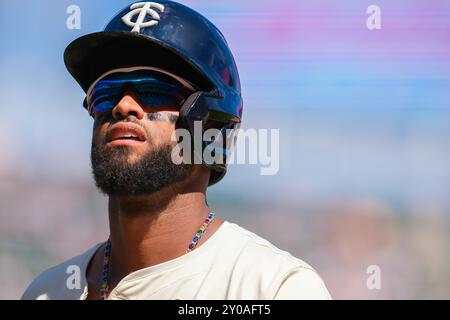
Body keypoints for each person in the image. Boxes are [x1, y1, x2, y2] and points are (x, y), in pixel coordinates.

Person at [21, 0, 331, 300]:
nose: (123, 106)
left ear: (210, 124)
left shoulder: (273, 288)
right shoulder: (48, 292)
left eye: (154, 91)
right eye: (105, 93)